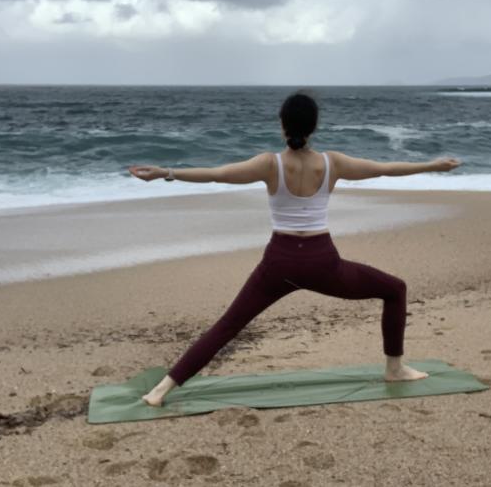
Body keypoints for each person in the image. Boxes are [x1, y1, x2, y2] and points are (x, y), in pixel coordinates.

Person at [127, 91, 461, 407]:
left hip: (279, 265)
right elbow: (385, 168)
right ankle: (394, 369)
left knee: (228, 325)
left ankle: (162, 389)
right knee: (394, 289)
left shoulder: (268, 164)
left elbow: (218, 174)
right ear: (314, 127)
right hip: (323, 264)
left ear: (282, 124)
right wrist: (434, 165)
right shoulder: (334, 163)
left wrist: (165, 173)